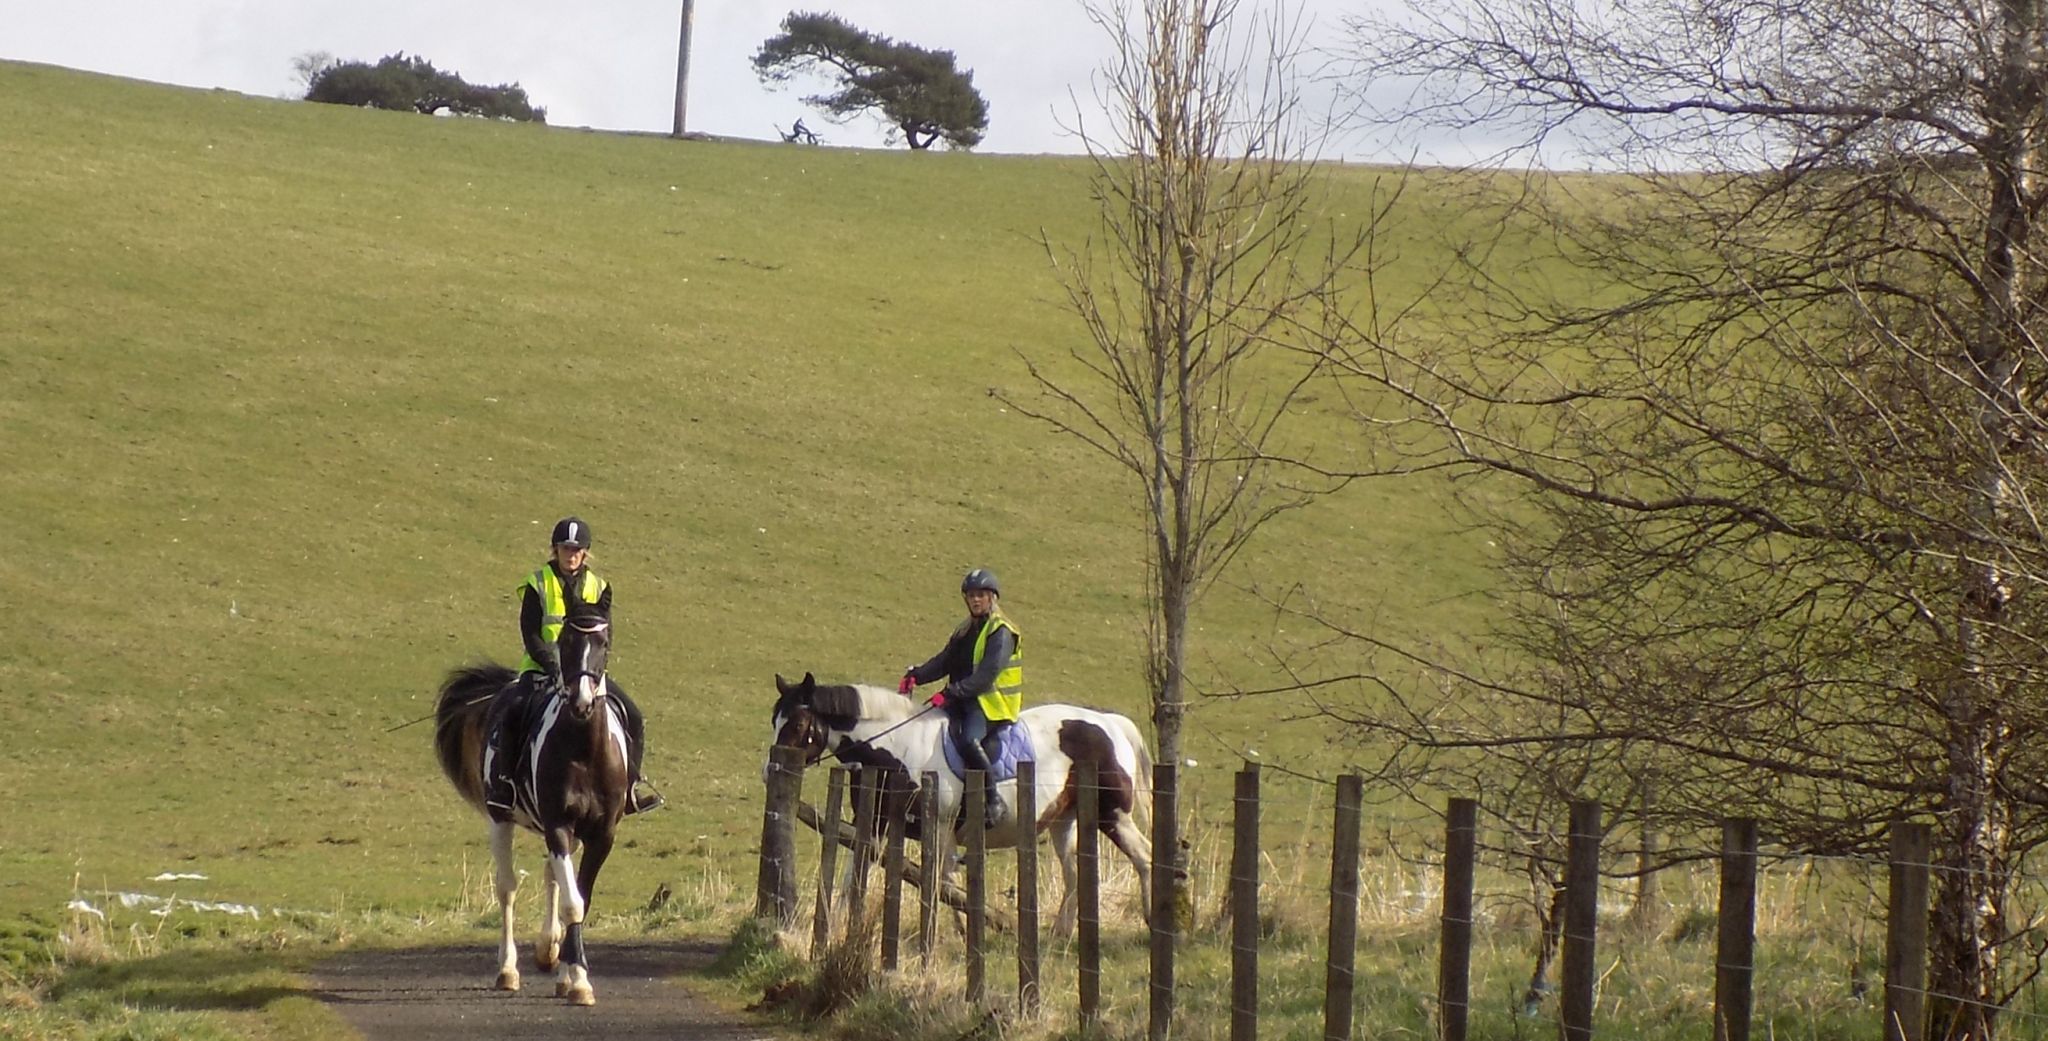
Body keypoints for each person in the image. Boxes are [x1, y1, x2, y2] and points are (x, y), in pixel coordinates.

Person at [483, 516, 662, 816]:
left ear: (585, 552)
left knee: (634, 717)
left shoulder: (598, 586)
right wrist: (552, 665)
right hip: (542, 669)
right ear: (555, 550)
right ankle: (506, 785)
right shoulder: (538, 583)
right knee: (512, 713)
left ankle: (631, 788)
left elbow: (607, 636)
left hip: (586, 674)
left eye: (577, 549)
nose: (571, 554)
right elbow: (530, 632)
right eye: (565, 548)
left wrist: (593, 672)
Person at [899, 568, 1023, 824]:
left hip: (991, 705)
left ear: (992, 598)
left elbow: (985, 677)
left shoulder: (1001, 632)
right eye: (971, 595)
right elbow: (945, 662)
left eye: (981, 595)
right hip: (963, 700)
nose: (975, 600)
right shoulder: (965, 630)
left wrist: (948, 693)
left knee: (968, 740)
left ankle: (993, 799)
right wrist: (916, 675)